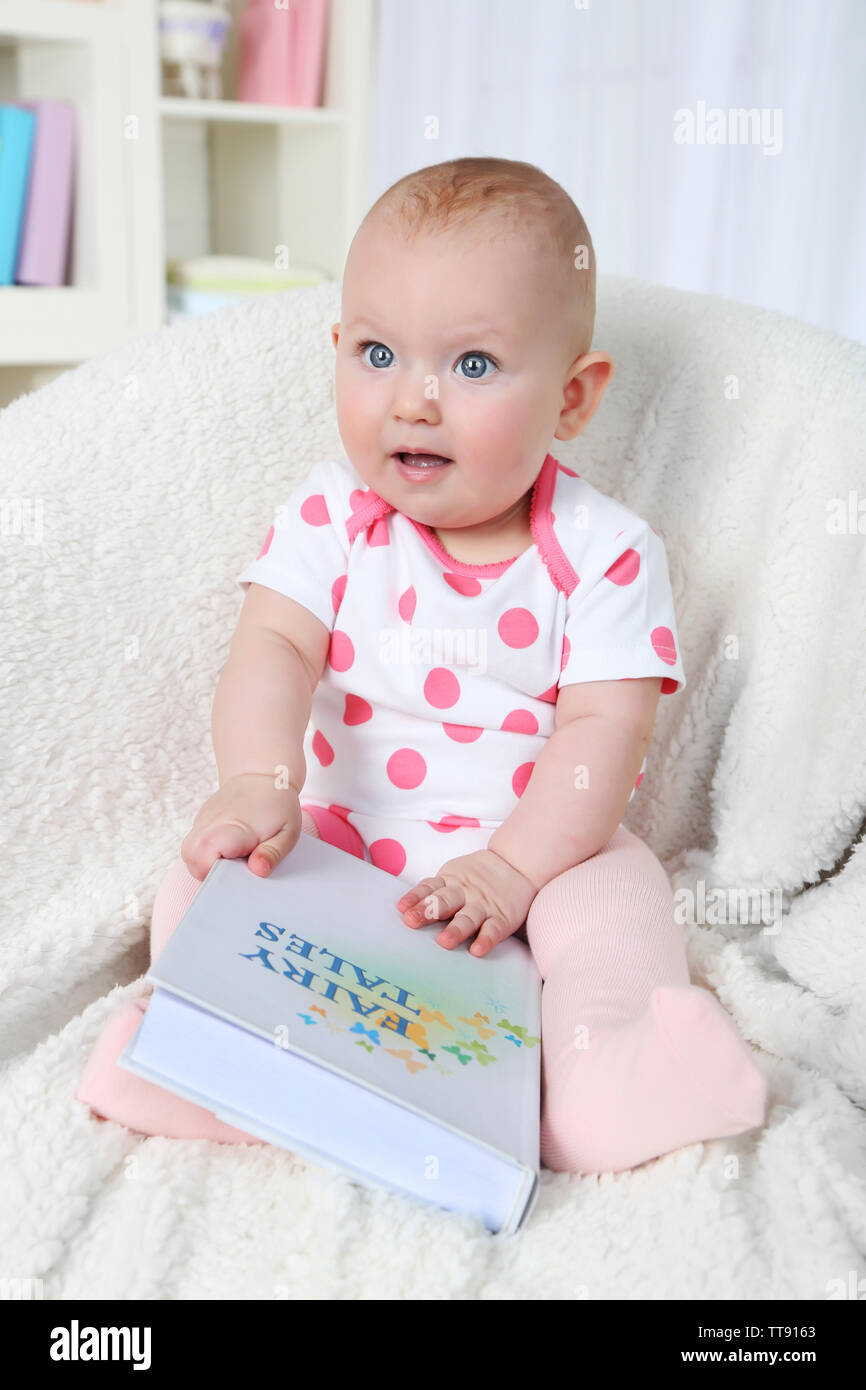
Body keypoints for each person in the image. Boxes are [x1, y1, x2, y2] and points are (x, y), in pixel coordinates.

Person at [76, 157, 767, 1174]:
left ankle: (604, 1083)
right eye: (377, 352)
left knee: (614, 901)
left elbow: (601, 734)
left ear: (572, 399)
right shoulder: (331, 516)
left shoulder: (605, 550)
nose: (413, 399)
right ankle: (210, 1057)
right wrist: (257, 785)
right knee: (209, 877)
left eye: (473, 366)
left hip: (531, 853)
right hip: (344, 848)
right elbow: (270, 646)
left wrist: (515, 868)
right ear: (337, 350)